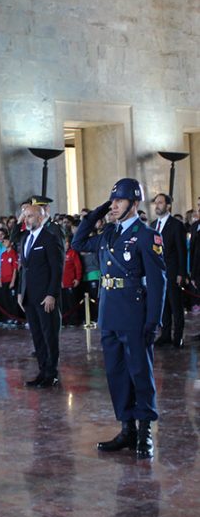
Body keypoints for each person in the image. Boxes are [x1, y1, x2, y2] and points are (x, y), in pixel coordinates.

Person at [72, 178, 166, 458]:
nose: (114, 205)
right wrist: (100, 211)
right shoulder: (109, 233)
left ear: (134, 204)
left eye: (119, 201)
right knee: (116, 373)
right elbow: (78, 242)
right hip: (109, 313)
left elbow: (158, 282)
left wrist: (154, 320)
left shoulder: (147, 235)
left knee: (139, 371)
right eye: (112, 200)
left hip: (134, 313)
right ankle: (127, 429)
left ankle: (145, 431)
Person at [18, 204, 64, 388]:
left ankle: (51, 374)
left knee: (49, 335)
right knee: (37, 336)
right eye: (25, 216)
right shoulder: (25, 239)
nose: (27, 219)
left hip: (45, 297)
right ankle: (42, 371)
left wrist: (52, 294)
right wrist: (21, 292)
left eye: (30, 216)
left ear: (39, 218)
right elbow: (24, 269)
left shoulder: (50, 238)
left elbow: (57, 269)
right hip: (29, 297)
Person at [151, 193, 187, 348]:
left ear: (168, 206)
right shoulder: (153, 226)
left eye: (160, 202)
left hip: (172, 272)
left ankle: (178, 337)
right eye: (156, 203)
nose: (157, 205)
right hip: (157, 273)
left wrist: (181, 273)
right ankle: (165, 335)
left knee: (176, 306)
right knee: (163, 305)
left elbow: (181, 251)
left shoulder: (176, 225)